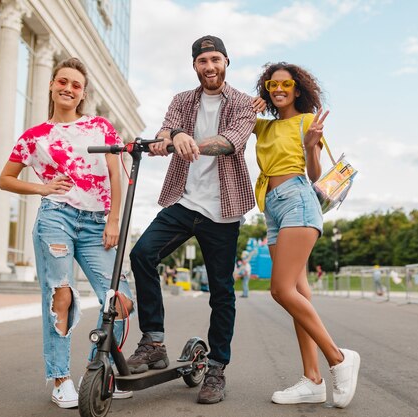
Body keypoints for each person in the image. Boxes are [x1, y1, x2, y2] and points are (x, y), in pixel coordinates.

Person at [127, 35, 258, 404]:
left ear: (226, 62)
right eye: (203, 61)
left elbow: (231, 142)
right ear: (195, 66)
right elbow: (164, 131)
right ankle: (153, 341)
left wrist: (187, 142)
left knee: (221, 292)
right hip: (183, 201)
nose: (210, 67)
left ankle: (216, 368)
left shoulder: (244, 105)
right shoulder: (182, 100)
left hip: (224, 210)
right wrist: (174, 135)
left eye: (216, 59)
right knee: (142, 255)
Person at [0, 57, 135, 408]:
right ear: (51, 84)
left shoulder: (100, 127)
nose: (68, 89)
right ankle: (60, 379)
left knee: (119, 301)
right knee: (61, 297)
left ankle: (97, 371)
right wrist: (42, 189)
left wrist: (114, 219)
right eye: (63, 81)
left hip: (97, 221)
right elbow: (5, 179)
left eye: (75, 85)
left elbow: (116, 174)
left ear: (83, 93)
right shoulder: (35, 137)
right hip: (55, 218)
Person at [252, 62, 360, 408]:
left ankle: (339, 358)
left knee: (281, 289)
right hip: (272, 210)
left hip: (298, 200)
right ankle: (312, 379)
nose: (278, 89)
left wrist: (312, 145)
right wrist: (245, 107)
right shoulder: (263, 127)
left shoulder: (306, 122)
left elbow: (314, 174)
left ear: (297, 89)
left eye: (286, 84)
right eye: (272, 84)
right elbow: (229, 118)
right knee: (298, 293)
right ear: (266, 89)